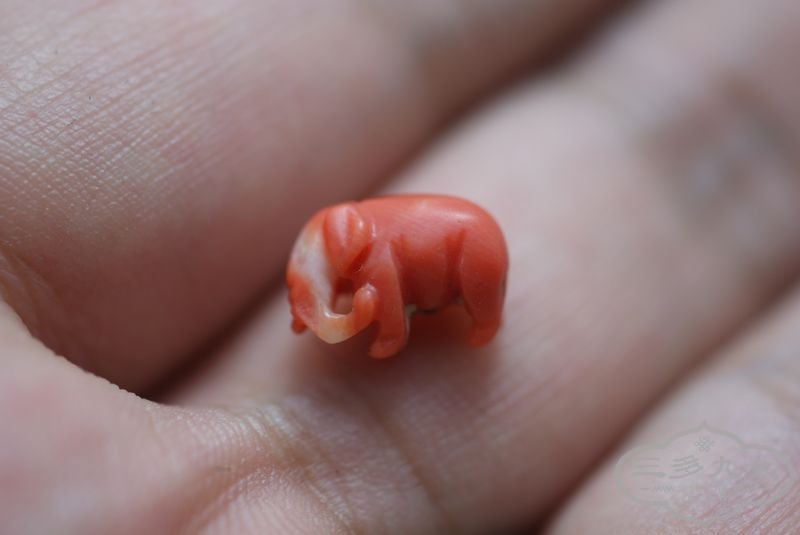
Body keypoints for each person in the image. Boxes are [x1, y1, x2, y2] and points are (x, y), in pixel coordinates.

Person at [1, 0, 798, 532]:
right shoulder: (342, 239)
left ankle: (479, 318)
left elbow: (381, 310)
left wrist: (385, 331)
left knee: (475, 304)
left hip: (465, 248)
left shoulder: (371, 252)